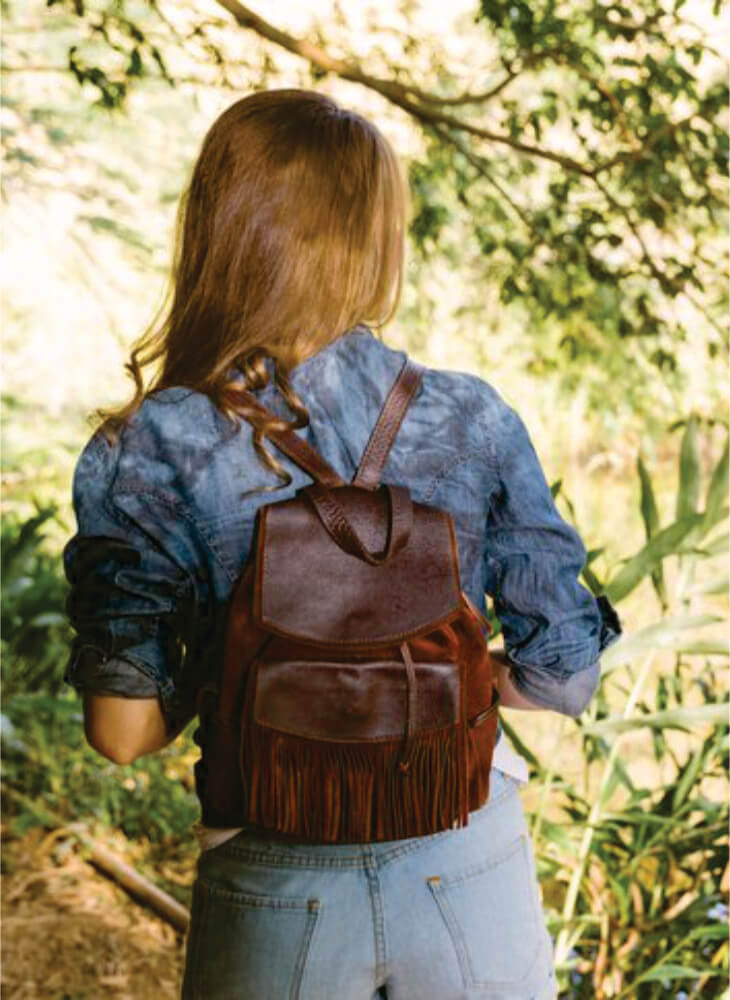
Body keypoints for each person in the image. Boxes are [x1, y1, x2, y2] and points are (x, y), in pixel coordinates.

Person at [63, 89, 622, 1000]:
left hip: (273, 877)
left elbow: (122, 735)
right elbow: (564, 675)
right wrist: (444, 682)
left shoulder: (149, 445)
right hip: (467, 852)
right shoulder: (469, 416)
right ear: (373, 238)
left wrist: (250, 677)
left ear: (221, 228)